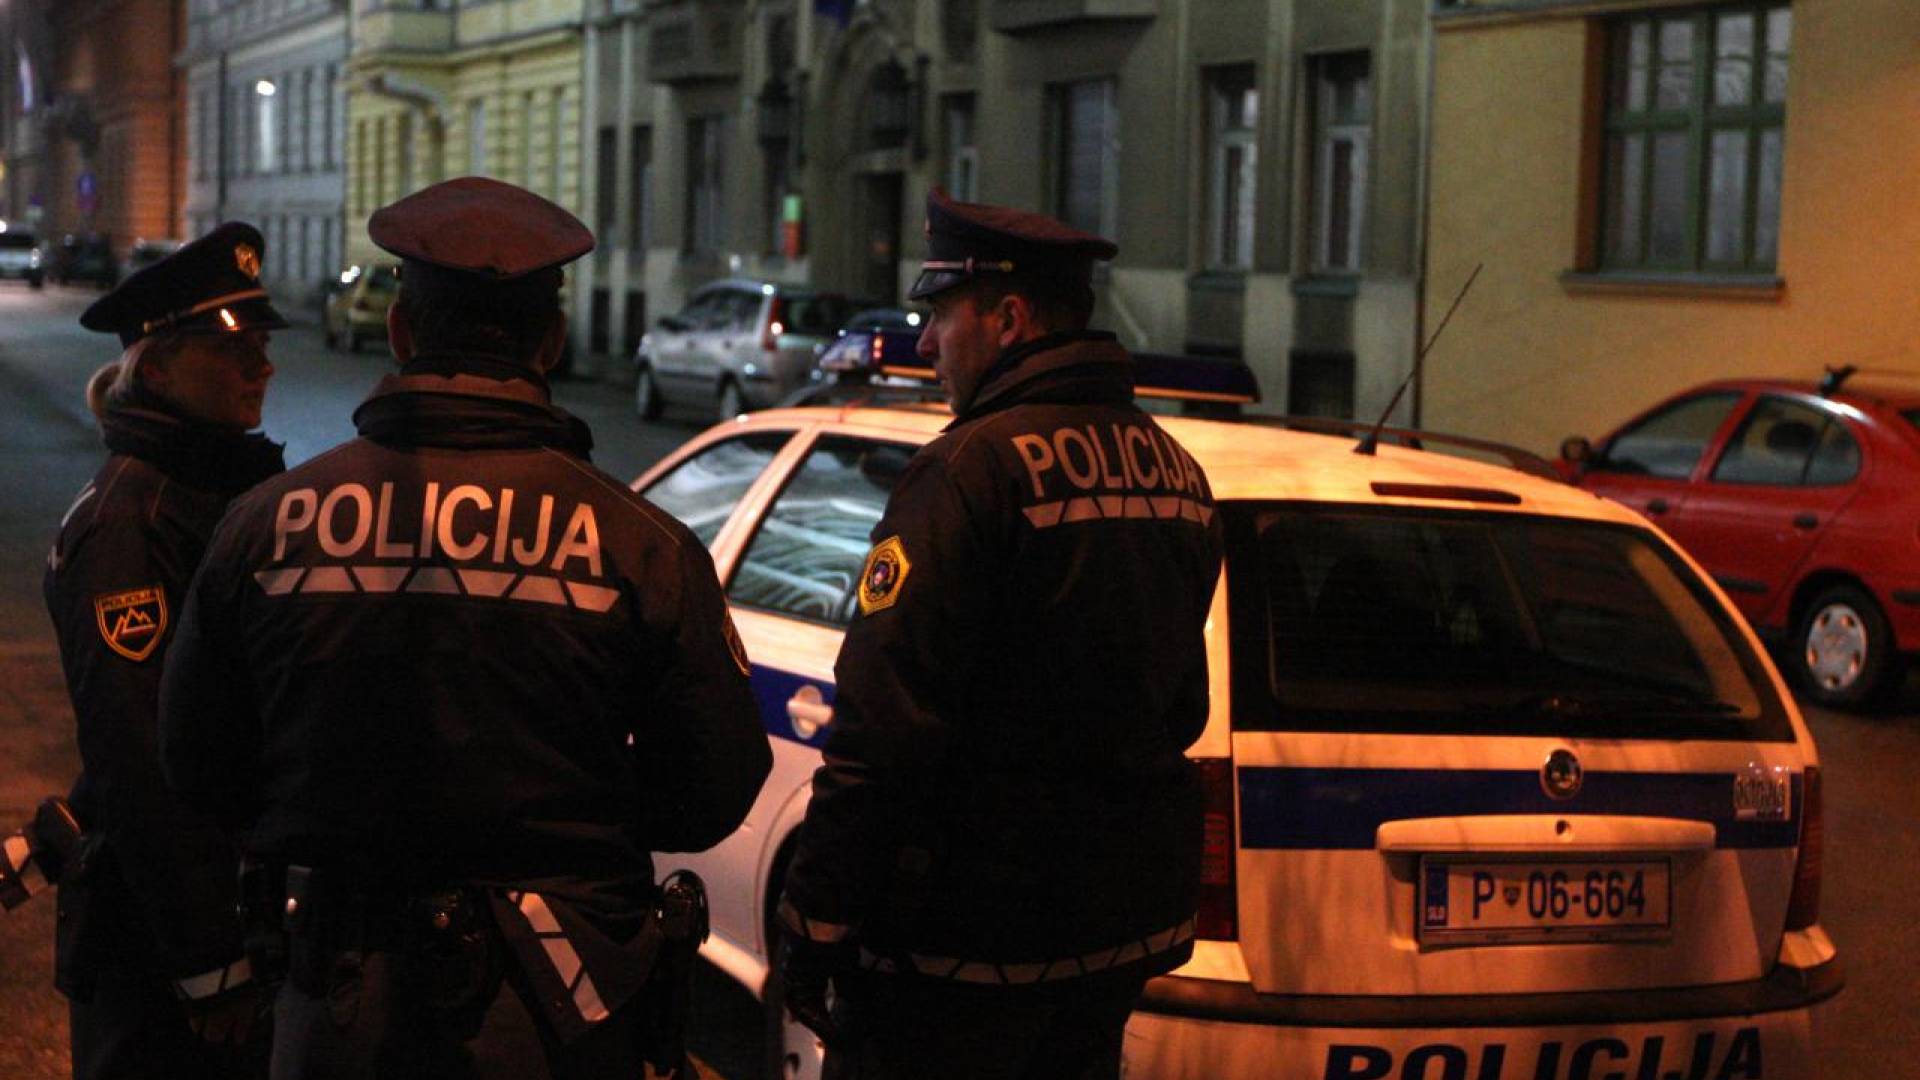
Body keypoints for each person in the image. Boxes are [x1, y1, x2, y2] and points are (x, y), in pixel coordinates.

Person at [156, 177, 771, 1080]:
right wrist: (581, 821)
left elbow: (196, 761)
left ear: (401, 332)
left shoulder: (263, 524)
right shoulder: (641, 544)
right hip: (562, 1009)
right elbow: (719, 783)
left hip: (338, 998)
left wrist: (322, 815)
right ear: (551, 341)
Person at [775, 189, 1226, 1079]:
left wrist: (816, 917)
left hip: (962, 946)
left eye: (942, 317)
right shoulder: (1176, 470)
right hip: (1112, 931)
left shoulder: (966, 470)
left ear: (1009, 319)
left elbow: (883, 728)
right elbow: (1182, 706)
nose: (927, 345)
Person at [44, 222, 288, 1079]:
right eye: (234, 348)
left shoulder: (220, 492)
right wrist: (208, 959)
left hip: (235, 905)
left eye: (262, 345)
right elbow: (139, 753)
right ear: (156, 367)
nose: (261, 366)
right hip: (159, 940)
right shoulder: (129, 523)